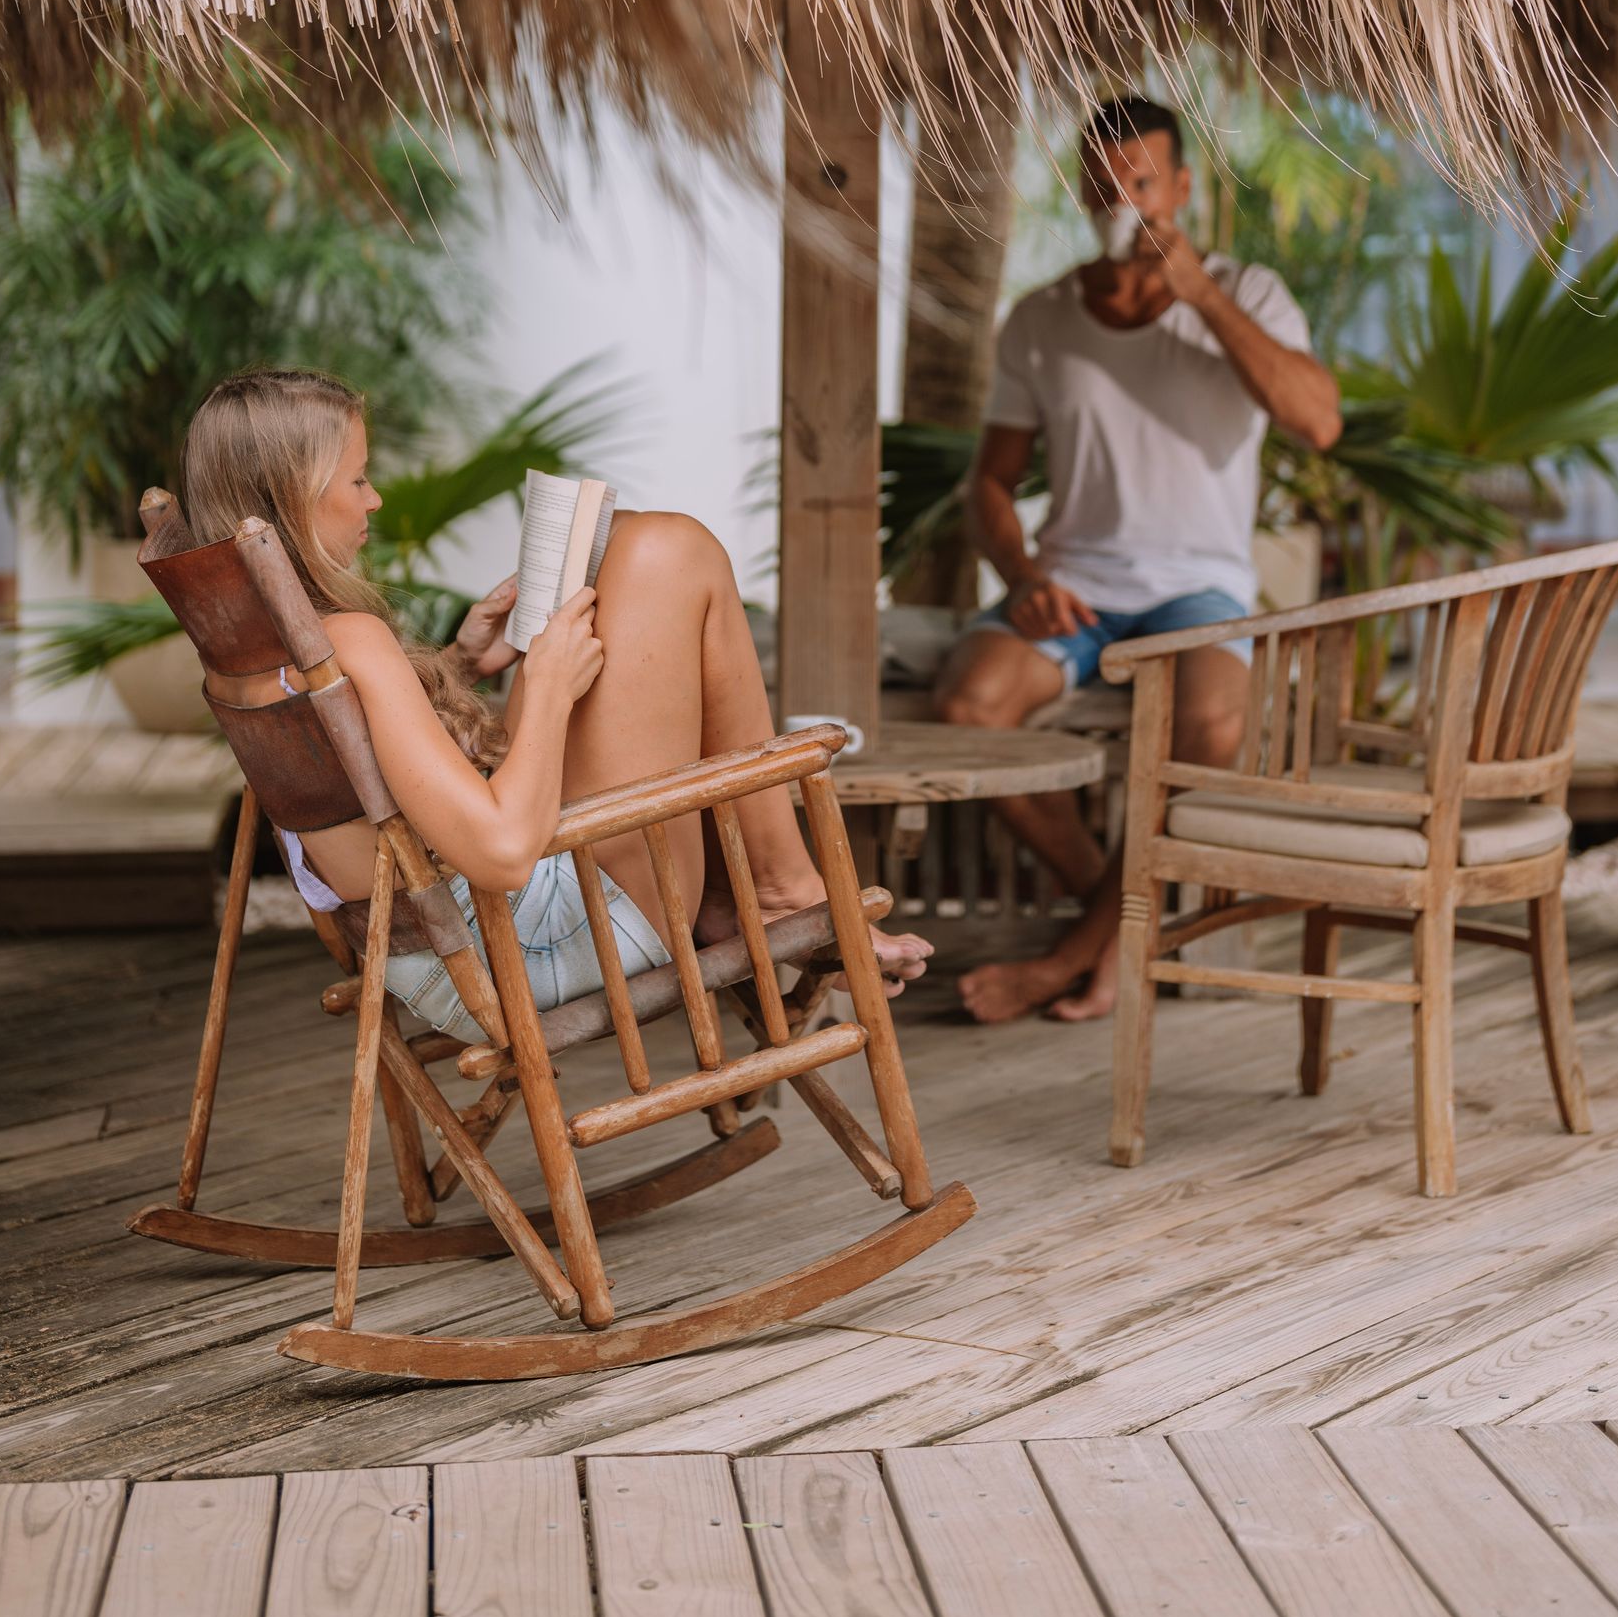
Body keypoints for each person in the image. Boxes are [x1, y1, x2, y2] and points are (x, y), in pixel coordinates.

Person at [180, 369, 930, 1041]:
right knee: (671, 549)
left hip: (431, 959)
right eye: (357, 480)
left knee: (635, 541)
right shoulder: (352, 640)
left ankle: (765, 894)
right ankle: (779, 894)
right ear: (296, 496)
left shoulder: (251, 649)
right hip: (525, 946)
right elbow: (504, 853)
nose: (374, 498)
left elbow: (357, 762)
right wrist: (543, 691)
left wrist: (460, 664)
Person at [937, 98, 1342, 1024]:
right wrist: (1025, 577)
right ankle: (1111, 920)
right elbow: (990, 487)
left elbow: (1319, 420)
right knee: (968, 706)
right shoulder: (1041, 318)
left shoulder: (1250, 292)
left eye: (1141, 180)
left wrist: (1201, 294)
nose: (1120, 196)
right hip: (1074, 583)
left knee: (1211, 724)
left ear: (1183, 190)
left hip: (1198, 585)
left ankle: (1062, 961)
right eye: (1103, 180)